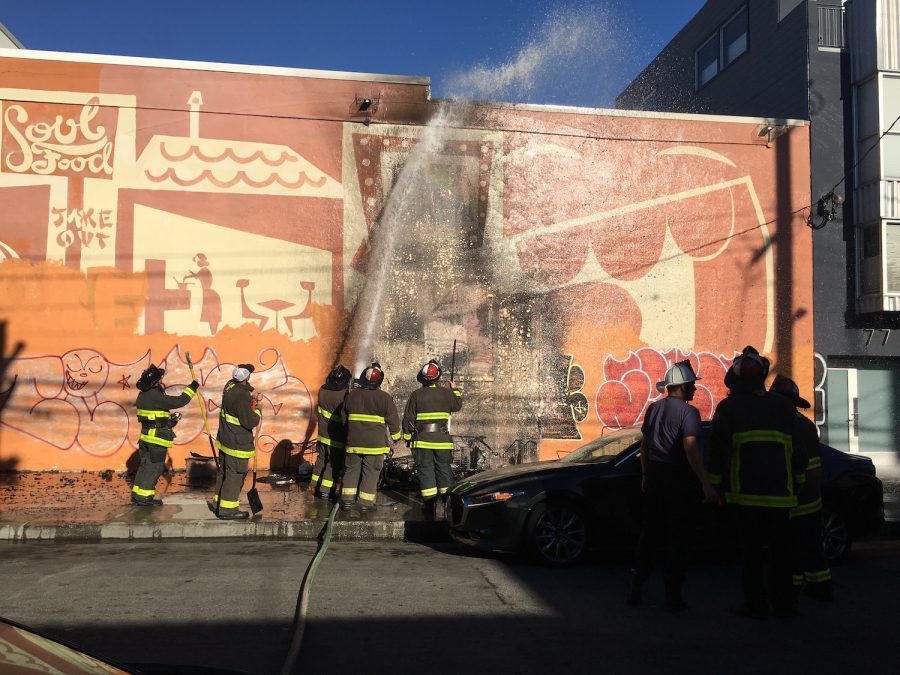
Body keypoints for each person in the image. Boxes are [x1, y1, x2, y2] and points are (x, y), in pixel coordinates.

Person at [709, 346, 805, 620]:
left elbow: (719, 452)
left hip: (746, 498)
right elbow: (797, 452)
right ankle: (785, 605)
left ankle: (757, 606)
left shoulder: (729, 408)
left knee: (752, 557)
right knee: (780, 556)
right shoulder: (784, 407)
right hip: (782, 499)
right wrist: (796, 485)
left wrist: (714, 487)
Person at [628, 360, 717, 611]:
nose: (695, 390)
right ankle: (672, 596)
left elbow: (645, 447)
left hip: (655, 478)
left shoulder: (654, 409)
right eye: (692, 386)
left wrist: (646, 475)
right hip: (679, 480)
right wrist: (706, 483)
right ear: (684, 386)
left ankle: (636, 587)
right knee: (678, 539)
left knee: (650, 536)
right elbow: (691, 449)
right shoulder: (689, 413)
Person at [770, 374, 833, 602]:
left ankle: (804, 589)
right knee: (806, 549)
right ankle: (815, 588)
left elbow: (811, 469)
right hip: (803, 501)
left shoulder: (792, 427)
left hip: (799, 502)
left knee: (797, 550)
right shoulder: (803, 426)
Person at [402, 359, 462, 520]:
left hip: (421, 440)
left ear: (422, 378)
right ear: (438, 377)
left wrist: (407, 437)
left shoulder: (416, 395)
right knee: (444, 469)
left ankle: (429, 504)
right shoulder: (446, 393)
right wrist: (454, 389)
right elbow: (457, 406)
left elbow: (408, 418)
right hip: (442, 439)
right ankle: (448, 503)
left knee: (425, 470)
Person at [133, 364, 199, 506]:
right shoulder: (155, 395)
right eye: (160, 379)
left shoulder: (143, 395)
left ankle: (137, 495)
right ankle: (144, 497)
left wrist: (170, 422)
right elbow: (180, 401)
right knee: (154, 467)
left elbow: (154, 419)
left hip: (146, 437)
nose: (161, 381)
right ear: (155, 382)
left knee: (145, 465)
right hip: (156, 439)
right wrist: (192, 388)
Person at [340, 363, 401, 511]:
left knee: (351, 470)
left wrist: (349, 432)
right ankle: (365, 503)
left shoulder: (352, 395)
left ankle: (347, 500)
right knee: (371, 472)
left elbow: (343, 417)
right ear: (379, 381)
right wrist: (396, 438)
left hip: (353, 442)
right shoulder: (385, 398)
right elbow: (393, 420)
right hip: (374, 445)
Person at [211, 364, 261, 520]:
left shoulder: (229, 387)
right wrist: (257, 410)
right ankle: (227, 510)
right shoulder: (241, 397)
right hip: (237, 443)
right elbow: (250, 421)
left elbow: (238, 410)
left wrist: (250, 402)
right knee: (235, 475)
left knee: (224, 472)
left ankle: (218, 503)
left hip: (226, 439)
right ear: (246, 377)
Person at [311, 365, 352, 500]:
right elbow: (346, 416)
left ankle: (316, 485)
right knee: (333, 463)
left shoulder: (322, 390)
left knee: (321, 460)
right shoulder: (344, 395)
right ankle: (326, 490)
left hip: (322, 435)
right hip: (336, 436)